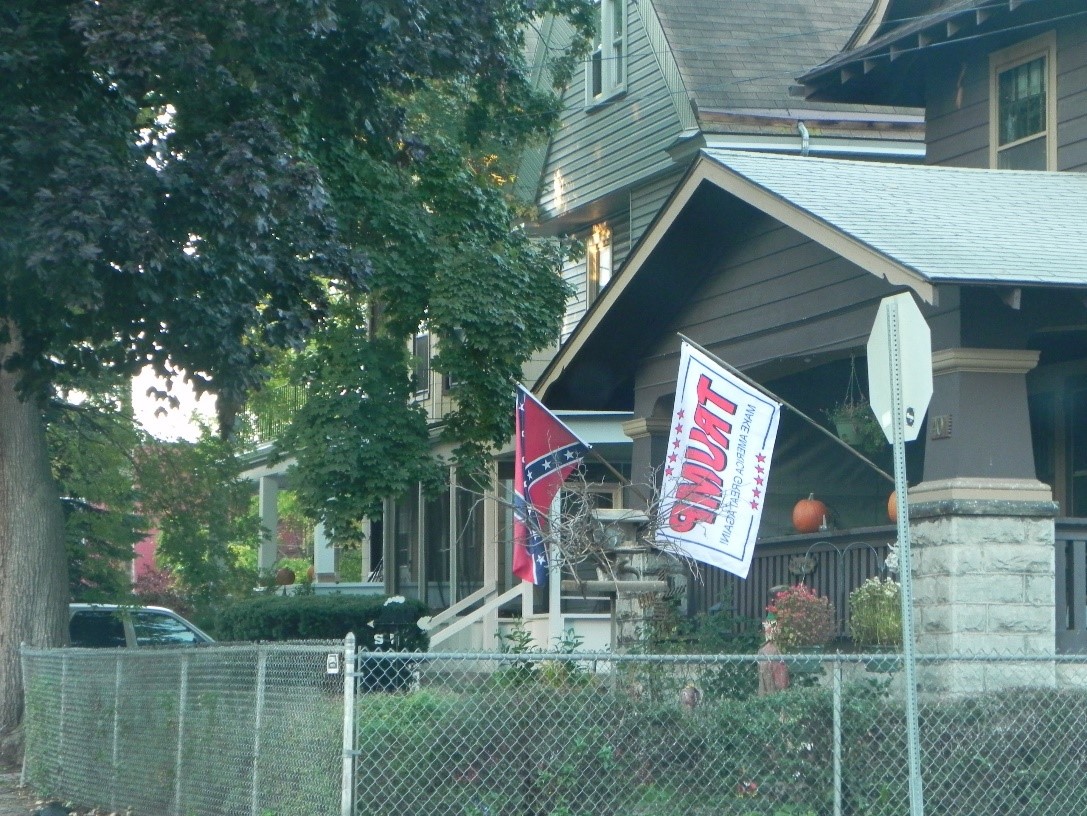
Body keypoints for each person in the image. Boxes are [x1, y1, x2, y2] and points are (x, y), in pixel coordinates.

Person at [757, 614, 790, 695]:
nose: (767, 631)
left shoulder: (776, 648)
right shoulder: (763, 649)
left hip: (773, 685)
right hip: (766, 684)